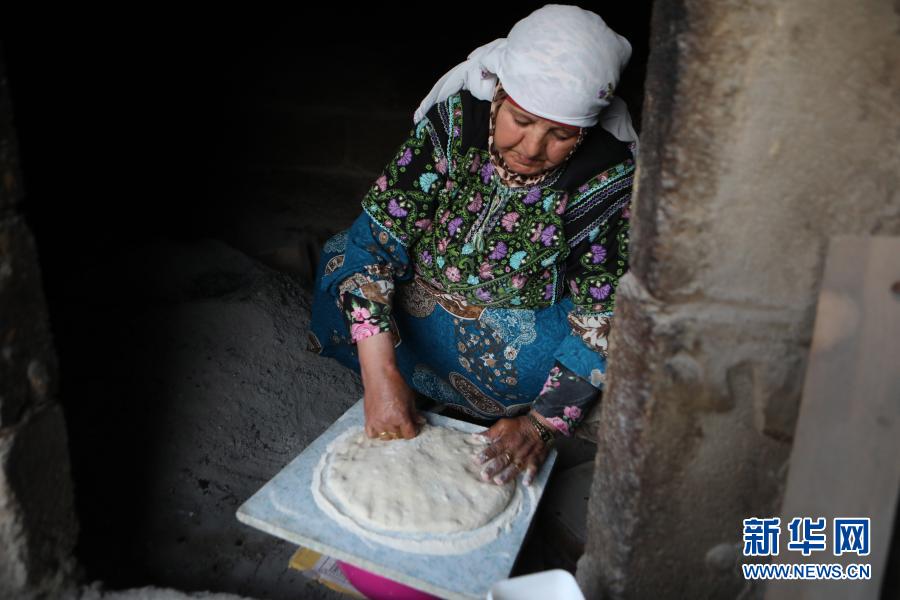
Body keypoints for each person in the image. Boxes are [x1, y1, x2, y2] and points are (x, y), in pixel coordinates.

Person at [307, 4, 637, 488]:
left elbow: (601, 312)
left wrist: (541, 426)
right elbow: (374, 242)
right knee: (342, 256)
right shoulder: (454, 124)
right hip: (418, 301)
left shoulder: (607, 178)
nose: (532, 148)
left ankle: (490, 403)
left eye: (561, 134)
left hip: (513, 340)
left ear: (584, 132)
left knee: (586, 358)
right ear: (500, 94)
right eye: (520, 120)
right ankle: (396, 377)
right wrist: (379, 376)